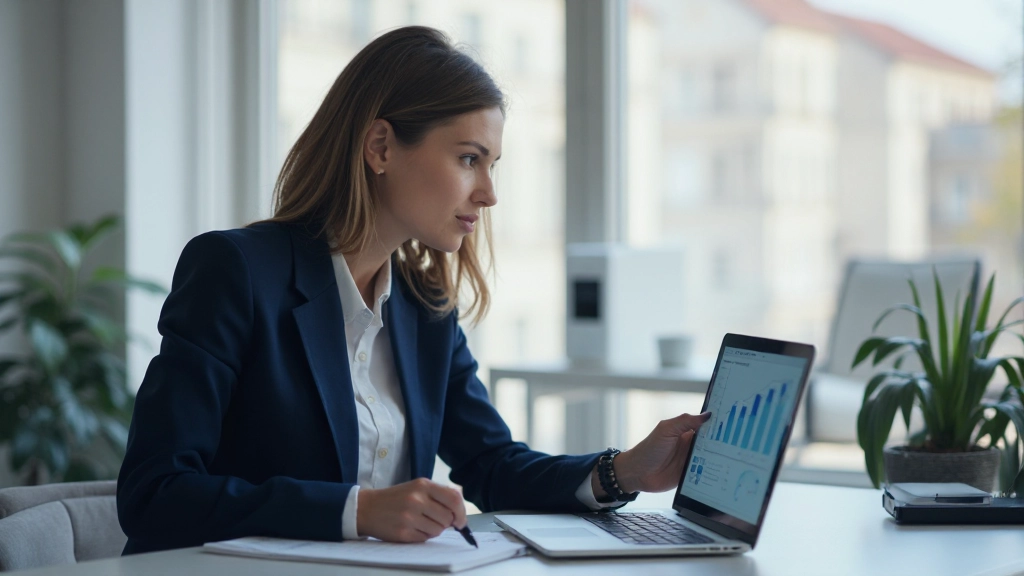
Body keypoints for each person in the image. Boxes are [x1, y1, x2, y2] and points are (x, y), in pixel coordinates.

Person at [116, 26, 710, 554]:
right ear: (380, 147)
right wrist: (357, 512)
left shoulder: (425, 308)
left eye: (492, 164)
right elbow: (156, 493)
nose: (489, 193)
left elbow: (492, 466)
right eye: (469, 159)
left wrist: (622, 471)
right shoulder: (237, 272)